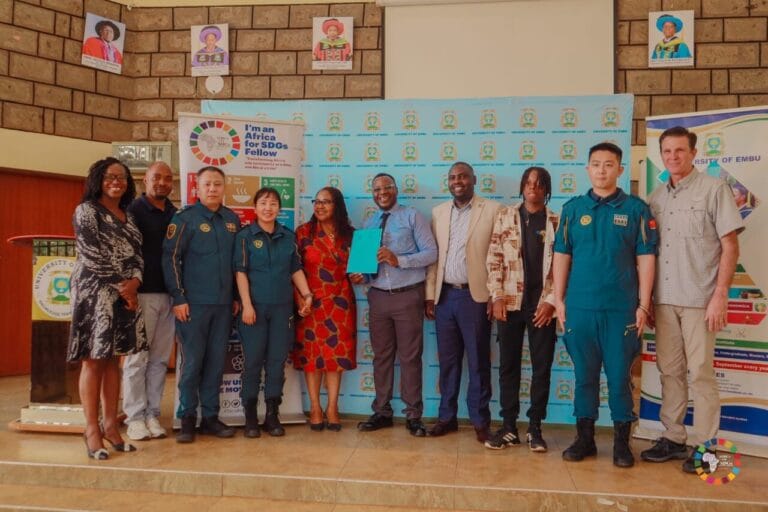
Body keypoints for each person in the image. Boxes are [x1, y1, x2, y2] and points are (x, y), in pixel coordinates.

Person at [640, 126, 744, 473]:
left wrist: (720, 295)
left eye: (680, 150)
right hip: (664, 301)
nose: (673, 157)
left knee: (700, 373)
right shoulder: (655, 198)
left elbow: (730, 246)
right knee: (669, 371)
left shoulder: (714, 190)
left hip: (701, 299)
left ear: (694, 153)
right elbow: (649, 254)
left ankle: (708, 448)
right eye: (667, 151)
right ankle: (673, 437)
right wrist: (648, 300)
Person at [553, 142, 657, 468]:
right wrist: (558, 300)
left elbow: (646, 258)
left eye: (609, 164)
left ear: (620, 170)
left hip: (620, 310)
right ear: (588, 169)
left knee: (618, 378)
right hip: (580, 308)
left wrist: (643, 305)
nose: (602, 170)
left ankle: (622, 444)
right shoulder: (573, 209)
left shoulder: (636, 210)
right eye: (596, 164)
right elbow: (561, 255)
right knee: (584, 377)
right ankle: (584, 439)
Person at [68, 157, 146, 460]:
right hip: (95, 293)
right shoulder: (86, 211)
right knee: (94, 359)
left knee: (114, 359)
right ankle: (91, 430)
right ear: (98, 180)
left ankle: (111, 426)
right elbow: (91, 254)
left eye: (122, 177)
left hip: (125, 294)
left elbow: (138, 254)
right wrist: (123, 287)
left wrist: (135, 281)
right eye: (110, 177)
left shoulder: (129, 215)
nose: (117, 182)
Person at [162, 166, 241, 443]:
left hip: (223, 306)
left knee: (216, 363)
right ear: (197, 187)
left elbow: (237, 264)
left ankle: (210, 418)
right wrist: (179, 297)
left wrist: (235, 297)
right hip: (193, 305)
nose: (212, 189)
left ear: (224, 187)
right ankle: (186, 418)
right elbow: (170, 258)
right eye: (207, 184)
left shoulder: (232, 220)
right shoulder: (185, 219)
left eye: (217, 184)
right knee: (193, 362)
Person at [484, 167, 560, 452]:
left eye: (539, 184)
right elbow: (494, 259)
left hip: (542, 306)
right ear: (521, 186)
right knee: (508, 366)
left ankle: (535, 428)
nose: (533, 188)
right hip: (510, 303)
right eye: (528, 183)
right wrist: (497, 297)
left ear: (546, 189)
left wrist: (551, 301)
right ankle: (508, 427)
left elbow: (564, 266)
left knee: (541, 367)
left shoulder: (556, 221)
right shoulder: (506, 216)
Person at [424, 162, 501, 443]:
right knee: (448, 362)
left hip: (475, 297)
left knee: (478, 362)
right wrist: (430, 295)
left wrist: (495, 295)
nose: (458, 181)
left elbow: (499, 256)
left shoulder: (493, 210)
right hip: (444, 297)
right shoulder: (438, 212)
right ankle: (447, 418)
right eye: (453, 177)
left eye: (463, 176)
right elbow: (434, 258)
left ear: (474, 179)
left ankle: (480, 421)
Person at [357, 173, 438, 437]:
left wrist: (399, 260)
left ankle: (413, 415)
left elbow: (431, 253)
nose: (382, 192)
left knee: (410, 358)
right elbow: (366, 265)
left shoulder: (412, 216)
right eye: (376, 189)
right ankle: (381, 411)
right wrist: (360, 275)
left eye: (387, 187)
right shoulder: (369, 223)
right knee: (381, 357)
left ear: (396, 190)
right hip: (378, 296)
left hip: (407, 296)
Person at [235, 187, 313, 438]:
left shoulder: (288, 236)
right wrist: (247, 305)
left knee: (277, 363)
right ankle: (250, 416)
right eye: (263, 203)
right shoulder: (245, 236)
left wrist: (307, 295)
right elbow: (240, 272)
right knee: (253, 362)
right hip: (254, 310)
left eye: (273, 204)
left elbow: (295, 269)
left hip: (282, 310)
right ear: (255, 208)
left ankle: (272, 414)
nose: (268, 208)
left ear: (279, 208)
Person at [292, 187, 362, 432]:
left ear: (337, 205)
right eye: (317, 201)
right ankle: (314, 407)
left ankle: (332, 407)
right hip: (311, 302)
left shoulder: (351, 235)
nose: (319, 206)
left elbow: (360, 272)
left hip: (341, 302)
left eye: (326, 202)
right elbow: (293, 270)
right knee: (312, 357)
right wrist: (300, 300)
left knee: (336, 357)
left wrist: (360, 275)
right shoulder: (303, 232)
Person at [122, 161, 176, 441]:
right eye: (157, 177)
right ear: (146, 180)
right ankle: (134, 417)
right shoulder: (132, 211)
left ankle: (152, 413)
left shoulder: (175, 214)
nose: (162, 183)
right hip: (142, 295)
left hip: (170, 296)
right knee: (137, 359)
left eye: (168, 178)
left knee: (159, 360)